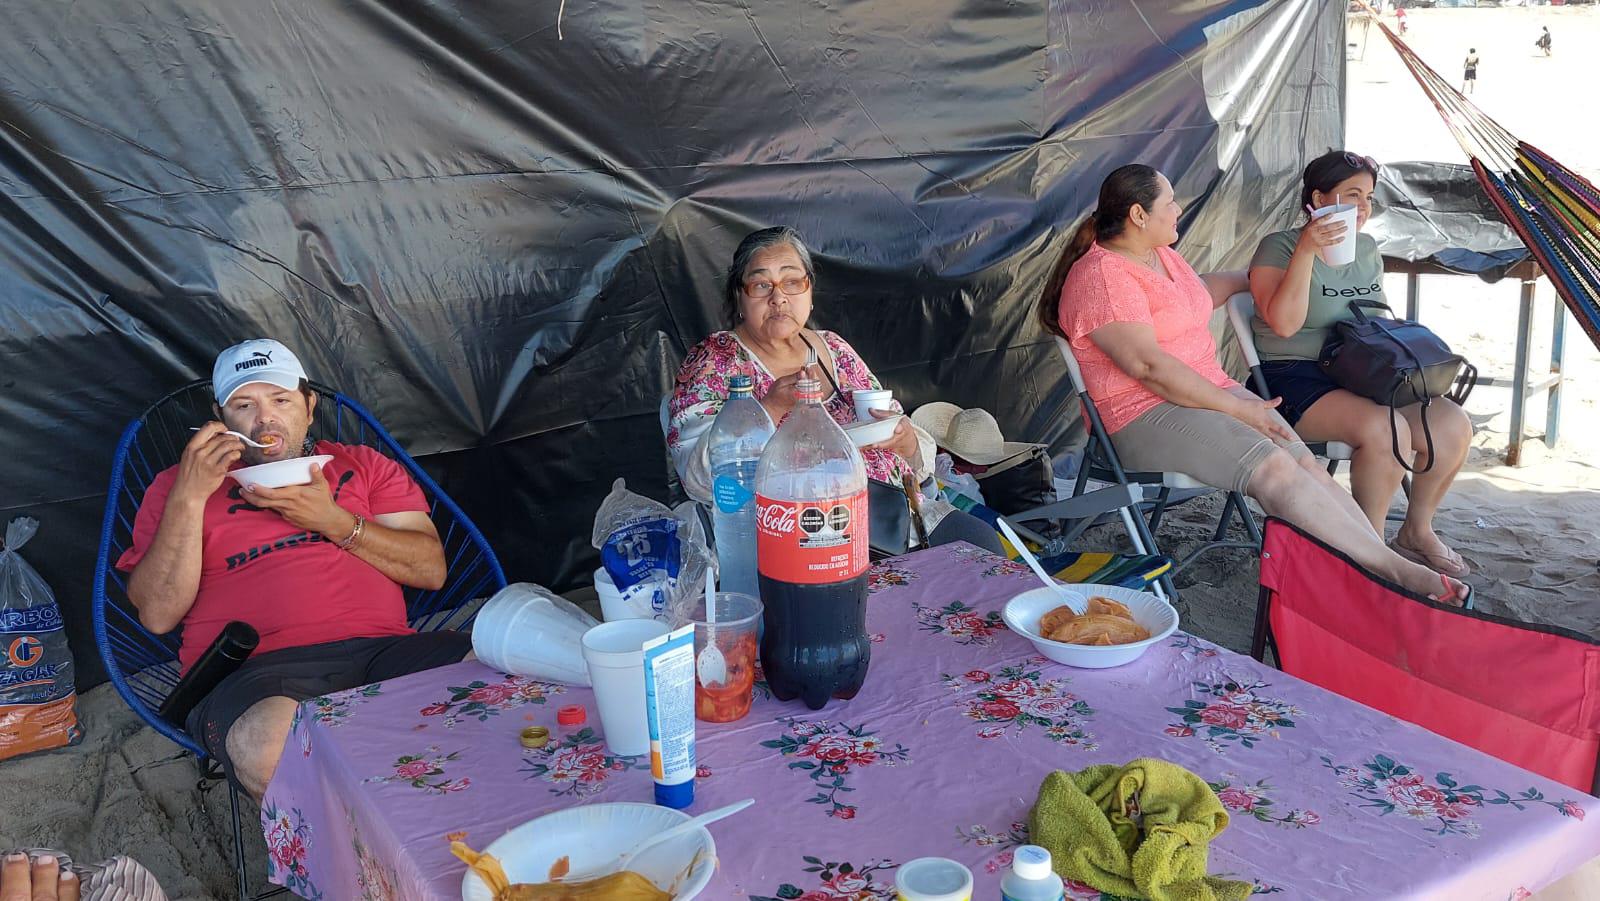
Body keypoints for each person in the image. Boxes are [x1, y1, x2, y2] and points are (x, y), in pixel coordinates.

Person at [1036, 164, 1469, 605]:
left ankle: (1373, 562)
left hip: (1205, 391)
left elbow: (1196, 295)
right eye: (1169, 202)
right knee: (1275, 470)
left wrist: (1262, 277)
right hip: (1140, 413)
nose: (1179, 209)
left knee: (1304, 463)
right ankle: (1391, 574)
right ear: (1138, 215)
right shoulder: (1102, 278)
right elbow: (1149, 368)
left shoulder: (1160, 255)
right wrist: (1237, 407)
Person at [117, 340, 469, 799]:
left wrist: (334, 521)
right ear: (222, 418)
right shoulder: (176, 486)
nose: (264, 419)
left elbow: (430, 570)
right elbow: (157, 615)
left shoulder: (361, 465)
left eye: (280, 400)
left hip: (384, 651)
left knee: (504, 674)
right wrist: (190, 496)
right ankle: (359, 861)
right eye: (244, 405)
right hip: (256, 673)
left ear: (308, 405)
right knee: (270, 749)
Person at [667, 226, 1003, 554]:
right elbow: (697, 478)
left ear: (809, 292)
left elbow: (895, 427)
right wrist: (769, 408)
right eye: (760, 284)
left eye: (792, 281)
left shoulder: (833, 348)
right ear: (739, 297)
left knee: (981, 545)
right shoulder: (717, 358)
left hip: (895, 516)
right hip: (805, 532)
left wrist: (907, 440)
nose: (779, 296)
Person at [1248, 151, 1472, 578]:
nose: (1364, 207)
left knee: (1450, 422)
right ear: (1319, 198)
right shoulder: (1277, 247)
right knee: (1386, 429)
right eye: (1352, 195)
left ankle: (1416, 530)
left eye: (1368, 197)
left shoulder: (1367, 248)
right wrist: (1307, 250)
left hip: (1353, 369)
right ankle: (1368, 553)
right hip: (1289, 375)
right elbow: (1284, 323)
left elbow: (1369, 322)